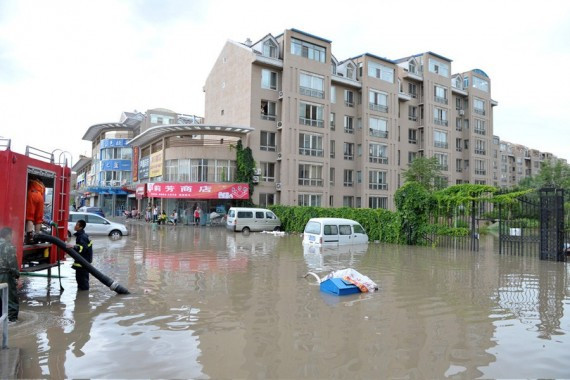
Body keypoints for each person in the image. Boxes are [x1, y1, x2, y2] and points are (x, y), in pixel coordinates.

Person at [0, 227, 20, 321]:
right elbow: (12, 264)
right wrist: (17, 276)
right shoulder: (9, 246)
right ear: (8, 235)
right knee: (11, 298)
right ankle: (12, 321)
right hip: (5, 276)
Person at [72, 220, 93, 291]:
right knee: (80, 280)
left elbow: (82, 248)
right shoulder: (82, 235)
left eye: (77, 225)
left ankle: (84, 297)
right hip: (83, 262)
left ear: (81, 227)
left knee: (82, 281)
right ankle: (81, 297)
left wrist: (73, 247)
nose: (75, 226)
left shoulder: (82, 237)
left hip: (83, 263)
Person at [25, 178, 46, 244]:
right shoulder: (42, 186)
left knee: (30, 217)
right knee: (38, 219)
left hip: (32, 194)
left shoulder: (31, 181)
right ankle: (37, 237)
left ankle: (29, 238)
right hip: (40, 197)